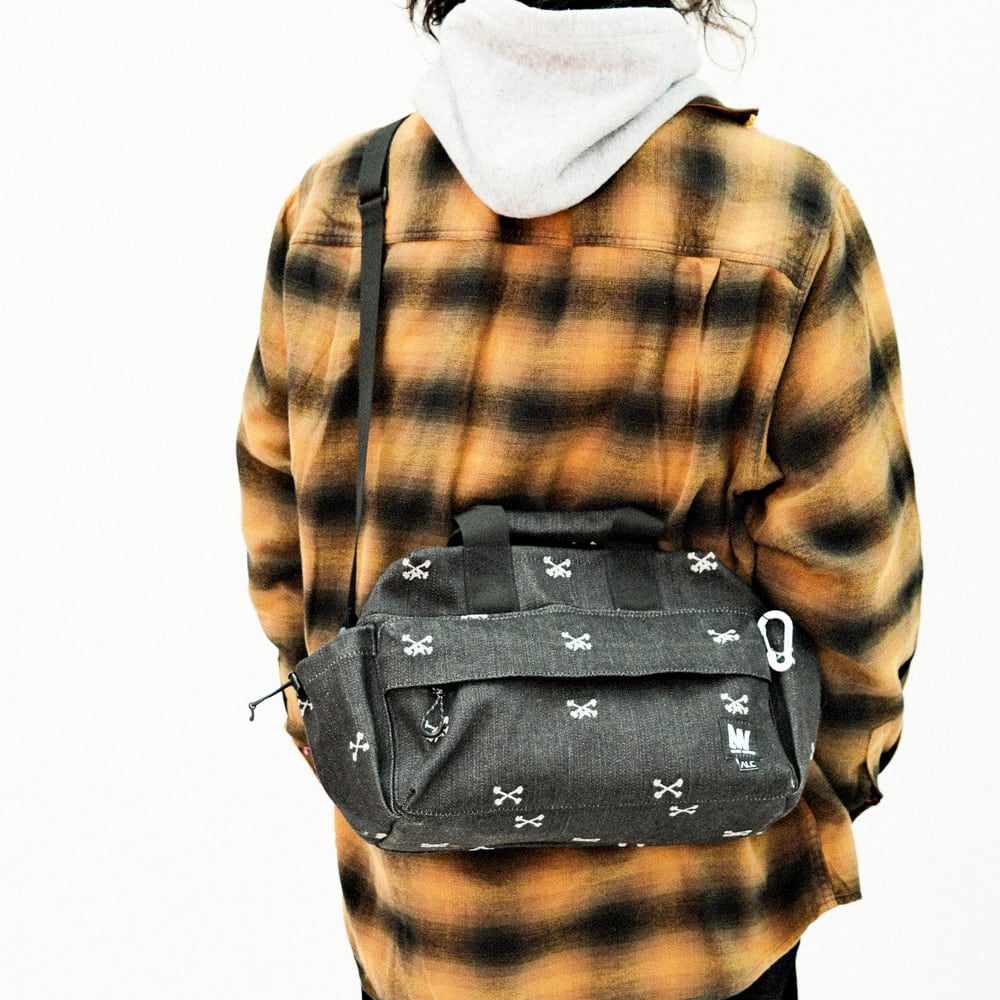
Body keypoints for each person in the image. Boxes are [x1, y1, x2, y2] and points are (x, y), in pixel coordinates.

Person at [237, 1, 922, 997]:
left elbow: (285, 561)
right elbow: (858, 586)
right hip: (706, 923)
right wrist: (797, 800)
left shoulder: (339, 209)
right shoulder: (785, 215)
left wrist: (367, 760)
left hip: (425, 933)